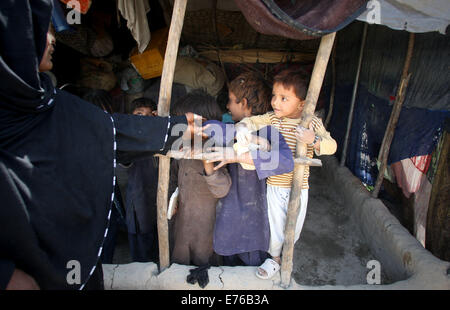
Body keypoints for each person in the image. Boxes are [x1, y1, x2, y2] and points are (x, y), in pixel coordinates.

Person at [0, 0, 203, 290]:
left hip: (74, 273)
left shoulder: (51, 104)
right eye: (38, 29)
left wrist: (176, 127)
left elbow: (108, 129)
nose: (52, 37)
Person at [236, 68, 337, 279]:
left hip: (300, 188)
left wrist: (314, 140)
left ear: (302, 103)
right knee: (275, 226)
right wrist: (244, 126)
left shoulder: (312, 122)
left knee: (294, 227)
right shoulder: (274, 119)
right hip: (275, 184)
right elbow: (254, 121)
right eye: (274, 96)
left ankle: (284, 254)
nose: (275, 102)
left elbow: (332, 146)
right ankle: (275, 259)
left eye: (284, 98)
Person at [207, 72, 294, 267]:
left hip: (254, 214)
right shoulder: (235, 129)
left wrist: (238, 155)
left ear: (244, 103)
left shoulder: (269, 131)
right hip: (241, 213)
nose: (228, 107)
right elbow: (210, 126)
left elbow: (287, 162)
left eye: (230, 101)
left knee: (246, 258)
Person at [169, 90, 232, 267]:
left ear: (204, 124)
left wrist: (206, 161)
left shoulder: (218, 150)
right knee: (181, 252)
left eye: (186, 123)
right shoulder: (180, 148)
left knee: (204, 260)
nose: (182, 129)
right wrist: (171, 201)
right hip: (183, 217)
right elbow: (173, 176)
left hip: (207, 220)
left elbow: (222, 189)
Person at [123, 97, 160, 262]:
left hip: (157, 202)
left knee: (158, 243)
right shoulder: (129, 141)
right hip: (139, 203)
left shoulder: (159, 139)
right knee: (142, 251)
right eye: (139, 114)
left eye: (148, 115)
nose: (143, 118)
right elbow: (124, 161)